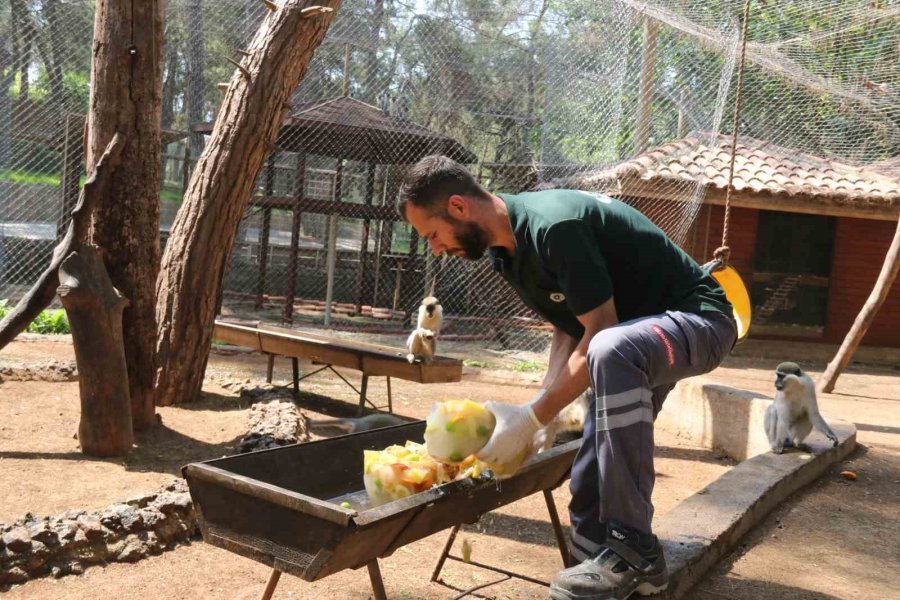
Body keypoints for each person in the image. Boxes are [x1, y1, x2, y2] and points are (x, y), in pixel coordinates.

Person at [397, 155, 737, 600]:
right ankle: (595, 572)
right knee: (590, 475)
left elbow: (601, 330)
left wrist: (534, 416)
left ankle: (636, 551)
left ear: (458, 207)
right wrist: (540, 411)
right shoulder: (507, 254)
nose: (437, 248)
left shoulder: (553, 227)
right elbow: (570, 326)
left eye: (433, 235)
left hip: (698, 321)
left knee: (611, 350)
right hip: (634, 343)